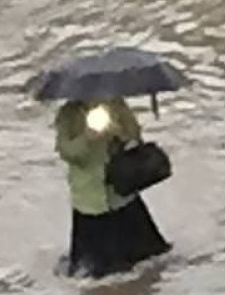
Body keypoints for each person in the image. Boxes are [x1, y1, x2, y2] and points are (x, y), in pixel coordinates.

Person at [55, 97, 171, 277]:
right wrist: (87, 137)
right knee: (90, 271)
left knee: (150, 259)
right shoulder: (67, 115)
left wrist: (115, 131)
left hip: (121, 194)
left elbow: (135, 136)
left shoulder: (116, 104)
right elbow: (68, 152)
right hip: (90, 200)